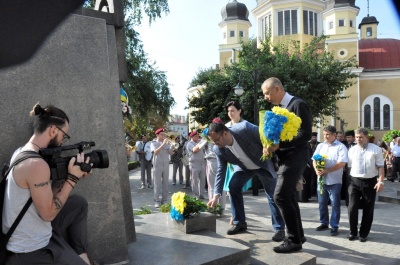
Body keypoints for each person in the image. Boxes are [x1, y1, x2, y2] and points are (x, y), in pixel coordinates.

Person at [3, 103, 92, 264]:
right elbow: (48, 214)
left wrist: (66, 177)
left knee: (78, 204)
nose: (62, 142)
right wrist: (72, 180)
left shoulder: (21, 152)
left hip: (36, 228)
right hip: (30, 250)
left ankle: (81, 252)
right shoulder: (36, 164)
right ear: (53, 130)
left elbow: (41, 195)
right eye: (64, 136)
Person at [207, 122, 285, 242]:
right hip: (244, 168)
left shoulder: (244, 129)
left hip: (262, 164)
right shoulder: (218, 149)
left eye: (217, 140)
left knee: (272, 196)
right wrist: (216, 195)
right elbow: (221, 170)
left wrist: (271, 150)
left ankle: (279, 229)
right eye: (213, 141)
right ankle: (240, 223)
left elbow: (266, 137)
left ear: (225, 133)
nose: (216, 144)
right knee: (233, 186)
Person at [261, 77, 312, 253]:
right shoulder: (279, 109)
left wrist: (280, 145)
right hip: (285, 157)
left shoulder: (298, 104)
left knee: (280, 196)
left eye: (267, 93)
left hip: (296, 156)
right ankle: (299, 235)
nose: (266, 97)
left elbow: (305, 135)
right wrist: (269, 144)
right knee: (288, 197)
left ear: (277, 89)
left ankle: (293, 240)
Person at [347, 128, 385, 242]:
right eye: (357, 137)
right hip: (354, 181)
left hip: (370, 182)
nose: (358, 139)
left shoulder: (376, 149)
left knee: (368, 208)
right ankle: (352, 232)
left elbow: (381, 167)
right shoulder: (352, 150)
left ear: (366, 137)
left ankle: (363, 233)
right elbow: (349, 166)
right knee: (352, 207)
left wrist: (381, 181)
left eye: (361, 137)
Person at [312, 125, 348, 236]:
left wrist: (327, 170)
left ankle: (334, 225)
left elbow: (342, 163)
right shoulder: (320, 146)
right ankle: (324, 223)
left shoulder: (341, 147)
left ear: (334, 135)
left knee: (335, 204)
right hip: (321, 180)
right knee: (322, 203)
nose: (326, 137)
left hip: (335, 180)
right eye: (324, 135)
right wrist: (317, 170)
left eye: (328, 134)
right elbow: (314, 160)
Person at [150, 128, 174, 208]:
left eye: (164, 134)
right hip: (157, 165)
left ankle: (164, 200)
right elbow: (155, 152)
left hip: (166, 164)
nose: (163, 136)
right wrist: (163, 144)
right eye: (161, 134)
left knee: (165, 183)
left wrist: (173, 147)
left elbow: (170, 153)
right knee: (157, 183)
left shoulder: (166, 143)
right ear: (157, 135)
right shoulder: (153, 143)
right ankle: (156, 200)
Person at [186, 131, 207, 199]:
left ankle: (202, 194)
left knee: (202, 180)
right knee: (194, 180)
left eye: (198, 136)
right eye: (196, 136)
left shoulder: (199, 142)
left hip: (202, 163)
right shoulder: (189, 144)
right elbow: (195, 150)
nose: (198, 137)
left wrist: (202, 141)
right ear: (191, 137)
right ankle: (195, 195)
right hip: (194, 163)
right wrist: (201, 143)